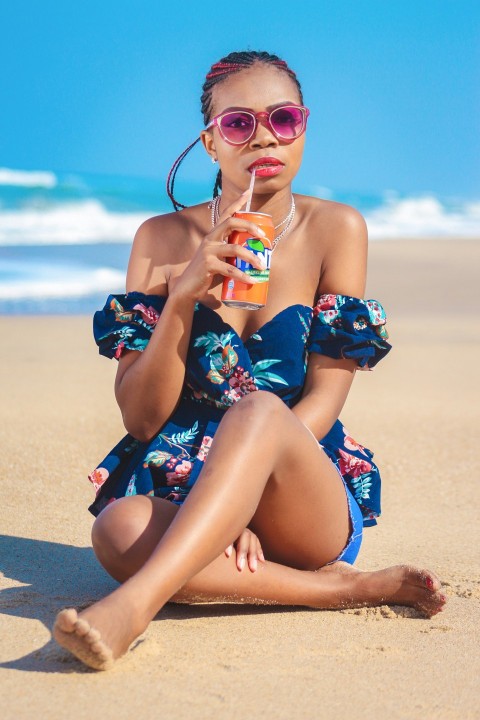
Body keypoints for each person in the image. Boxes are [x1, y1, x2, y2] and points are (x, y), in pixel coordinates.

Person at [53, 50, 446, 671]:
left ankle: (134, 608)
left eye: (283, 119)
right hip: (185, 472)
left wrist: (246, 486)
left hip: (300, 483)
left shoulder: (335, 229)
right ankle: (342, 588)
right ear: (211, 143)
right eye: (238, 124)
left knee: (261, 410)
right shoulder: (161, 240)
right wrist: (182, 297)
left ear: (304, 128)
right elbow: (140, 419)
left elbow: (323, 400)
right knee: (117, 531)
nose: (264, 135)